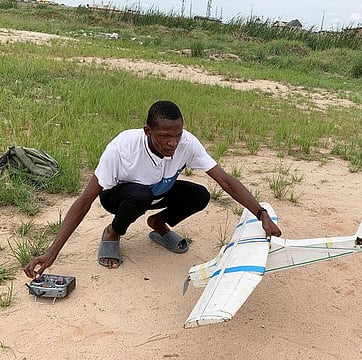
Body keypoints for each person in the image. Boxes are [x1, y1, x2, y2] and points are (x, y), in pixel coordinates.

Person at [24, 100, 282, 278]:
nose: (172, 143)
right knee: (140, 195)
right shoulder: (123, 148)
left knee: (200, 195)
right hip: (120, 197)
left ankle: (158, 223)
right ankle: (113, 232)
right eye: (165, 137)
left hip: (158, 191)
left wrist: (261, 214)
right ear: (148, 131)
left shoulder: (186, 143)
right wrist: (51, 252)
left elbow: (224, 180)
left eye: (177, 135)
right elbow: (84, 202)